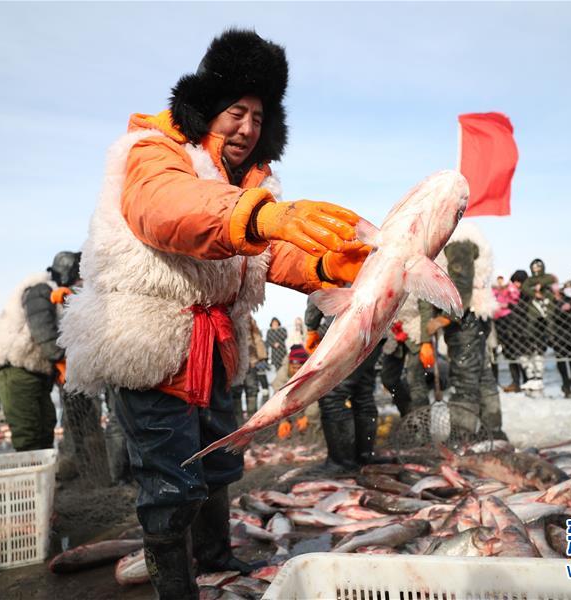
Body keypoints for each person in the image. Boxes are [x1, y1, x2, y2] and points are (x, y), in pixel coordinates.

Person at [56, 30, 369, 599]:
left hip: (217, 346)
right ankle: (178, 590)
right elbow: (167, 209)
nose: (247, 128)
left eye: (259, 117)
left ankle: (217, 560)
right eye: (236, 112)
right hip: (152, 348)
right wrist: (262, 215)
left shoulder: (251, 182)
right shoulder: (155, 151)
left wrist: (328, 266)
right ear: (207, 108)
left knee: (220, 462)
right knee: (170, 482)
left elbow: (269, 255)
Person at [0, 251, 81, 452]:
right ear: (67, 273)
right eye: (77, 277)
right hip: (17, 369)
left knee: (46, 426)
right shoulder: (40, 290)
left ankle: (44, 470)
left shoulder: (56, 294)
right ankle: (31, 471)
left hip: (36, 372)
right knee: (28, 431)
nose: (79, 283)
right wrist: (61, 360)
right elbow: (43, 329)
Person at [420, 221, 503, 437]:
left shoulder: (457, 240)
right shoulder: (462, 239)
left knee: (464, 378)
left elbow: (462, 281)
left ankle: (462, 436)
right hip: (474, 316)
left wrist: (445, 318)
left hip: (465, 319)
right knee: (482, 375)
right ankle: (493, 432)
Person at [306, 292, 388, 472]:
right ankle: (363, 455)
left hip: (351, 328)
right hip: (377, 326)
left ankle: (341, 462)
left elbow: (319, 290)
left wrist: (311, 326)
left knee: (332, 394)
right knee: (362, 392)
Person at [381, 294, 427, 416]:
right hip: (394, 330)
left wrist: (427, 340)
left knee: (415, 380)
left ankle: (421, 422)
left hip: (417, 329)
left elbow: (426, 306)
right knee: (388, 378)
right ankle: (408, 413)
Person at [519, 259, 558, 391]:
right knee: (531, 348)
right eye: (534, 267)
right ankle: (533, 378)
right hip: (534, 319)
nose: (536, 269)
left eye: (538, 267)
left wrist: (540, 284)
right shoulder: (529, 280)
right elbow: (525, 287)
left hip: (546, 317)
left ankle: (539, 378)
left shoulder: (547, 277)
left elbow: (552, 278)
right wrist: (534, 293)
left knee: (541, 348)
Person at [493, 270, 528, 392]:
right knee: (509, 354)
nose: (518, 284)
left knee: (517, 354)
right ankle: (516, 382)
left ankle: (524, 381)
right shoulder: (496, 290)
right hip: (500, 323)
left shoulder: (514, 290)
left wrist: (508, 304)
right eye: (516, 281)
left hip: (513, 324)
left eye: (520, 282)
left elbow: (516, 301)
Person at [231, 317, 267, 423]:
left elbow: (256, 336)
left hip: (250, 360)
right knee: (236, 390)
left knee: (252, 388)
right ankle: (238, 421)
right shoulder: (228, 315)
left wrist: (261, 356)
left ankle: (252, 420)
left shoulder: (248, 317)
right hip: (235, 361)